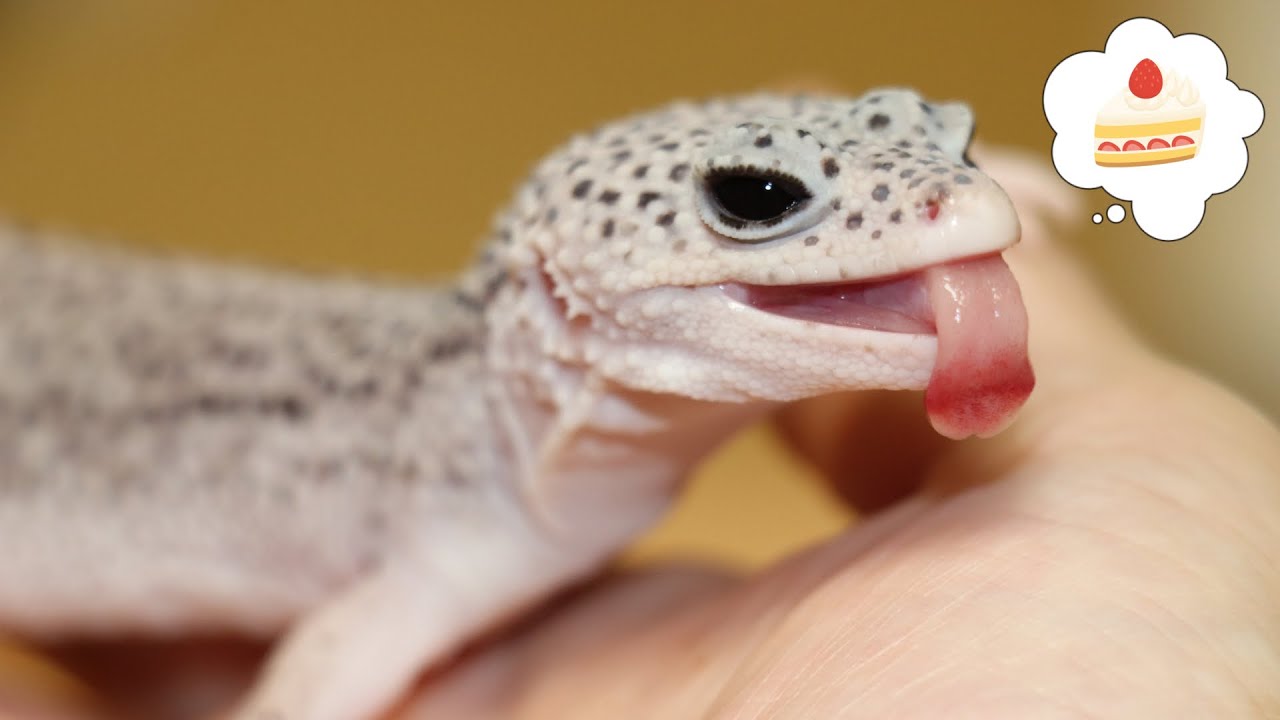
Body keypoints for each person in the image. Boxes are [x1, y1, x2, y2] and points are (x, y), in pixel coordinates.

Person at [5, 149, 1278, 719]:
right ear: (562, 285)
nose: (955, 212)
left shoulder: (588, 432)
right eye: (756, 206)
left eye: (940, 156)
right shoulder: (445, 535)